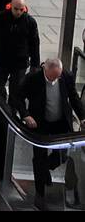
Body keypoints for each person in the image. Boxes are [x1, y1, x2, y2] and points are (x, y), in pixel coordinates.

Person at [20, 59, 85, 210]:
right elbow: (17, 97)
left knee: (61, 154)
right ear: (45, 70)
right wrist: (25, 115)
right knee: (39, 157)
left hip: (60, 122)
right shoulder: (33, 78)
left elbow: (74, 97)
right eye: (52, 77)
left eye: (58, 77)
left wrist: (82, 117)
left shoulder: (66, 76)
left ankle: (44, 169)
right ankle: (40, 194)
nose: (55, 80)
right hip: (40, 122)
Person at [0, 0, 40, 106]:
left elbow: (34, 44)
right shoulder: (0, 18)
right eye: (16, 9)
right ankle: (0, 106)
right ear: (11, 6)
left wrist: (35, 64)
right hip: (2, 59)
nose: (19, 12)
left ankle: (12, 110)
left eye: (21, 9)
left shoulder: (30, 22)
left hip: (20, 62)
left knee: (16, 89)